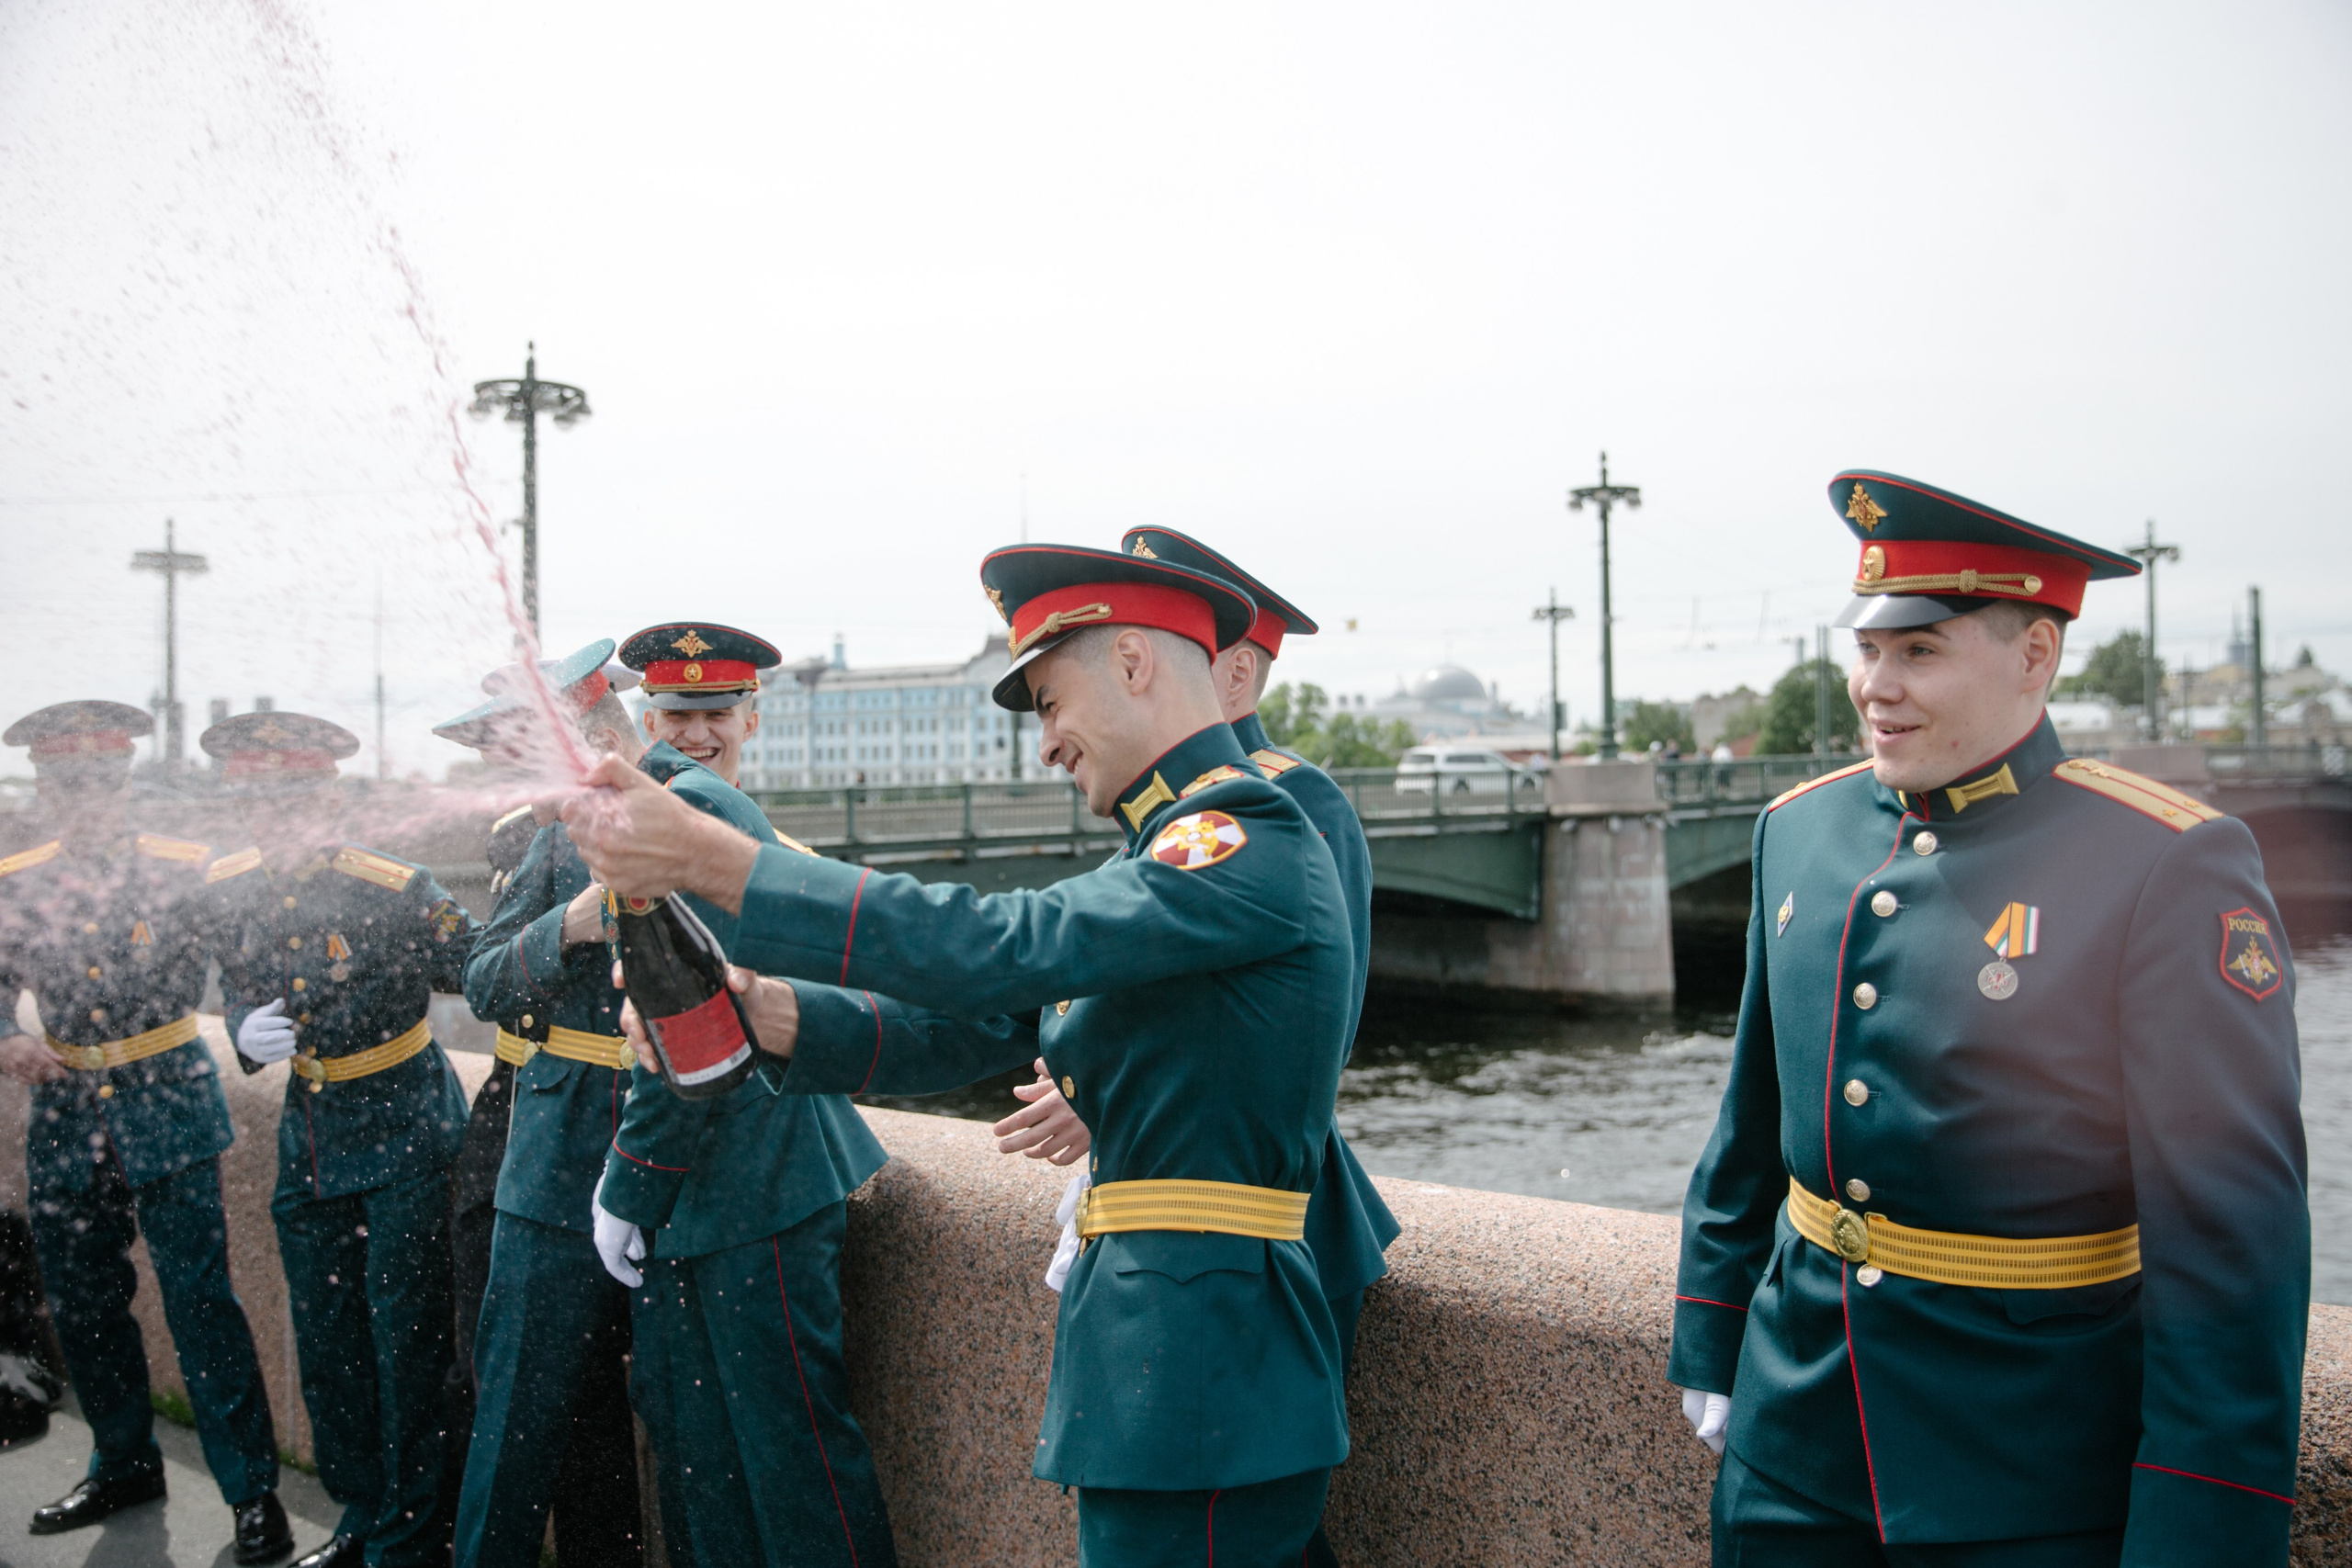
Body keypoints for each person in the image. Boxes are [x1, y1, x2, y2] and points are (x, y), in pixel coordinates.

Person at [564, 546, 1359, 1567]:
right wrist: (765, 1014)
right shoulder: (1160, 856)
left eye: (1050, 701)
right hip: (1179, 1351)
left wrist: (718, 864)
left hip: (1199, 1354)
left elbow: (996, 948)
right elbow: (971, 1027)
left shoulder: (1238, 835)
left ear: (1130, 664)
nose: (1045, 746)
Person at [1669, 471, 2307, 1566]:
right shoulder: (1801, 832)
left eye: (1919, 651)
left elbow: (2230, 1247)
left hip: (2023, 1478)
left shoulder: (2162, 863)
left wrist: (2200, 1522)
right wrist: (1711, 1333)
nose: (1877, 685)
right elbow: (1750, 1128)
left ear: (2033, 657)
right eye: (1867, 650)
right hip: (1788, 1452)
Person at [989, 526, 1399, 1568]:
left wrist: (1105, 1093)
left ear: (1237, 669)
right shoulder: (1166, 811)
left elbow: (1317, 1020)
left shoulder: (1276, 800)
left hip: (1263, 1210)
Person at [587, 621, 897, 1568]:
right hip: (727, 1184)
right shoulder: (695, 805)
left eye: (716, 715)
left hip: (750, 1186)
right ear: (646, 714)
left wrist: (629, 1183)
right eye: (676, 714)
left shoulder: (687, 809)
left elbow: (691, 1032)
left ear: (750, 720)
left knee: (780, 1464)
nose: (695, 735)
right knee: (705, 1459)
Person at [0, 701, 291, 1562]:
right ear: (43, 788)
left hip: (167, 1094)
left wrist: (240, 1023)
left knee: (201, 1304)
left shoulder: (180, 867)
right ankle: (123, 1459)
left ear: (123, 782)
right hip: (65, 1105)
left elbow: (245, 958)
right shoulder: (18, 875)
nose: (81, 796)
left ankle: (251, 1492)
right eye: (63, 782)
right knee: (86, 1305)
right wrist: (7, 1034)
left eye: (97, 780)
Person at [194, 711, 480, 1568]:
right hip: (309, 1141)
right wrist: (243, 1030)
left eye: (292, 795)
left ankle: (417, 1533)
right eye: (257, 798)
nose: (274, 813)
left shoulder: (392, 885)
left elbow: (485, 968)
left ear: (326, 794)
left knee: (410, 1348)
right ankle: (361, 1515)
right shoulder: (229, 885)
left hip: (407, 1133)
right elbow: (241, 984)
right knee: (329, 1344)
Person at [433, 643, 646, 1568]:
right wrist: (572, 924)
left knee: (633, 1408)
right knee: (516, 1401)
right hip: (554, 1148)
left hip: (669, 1154)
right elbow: (485, 979)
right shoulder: (549, 835)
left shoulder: (713, 825)